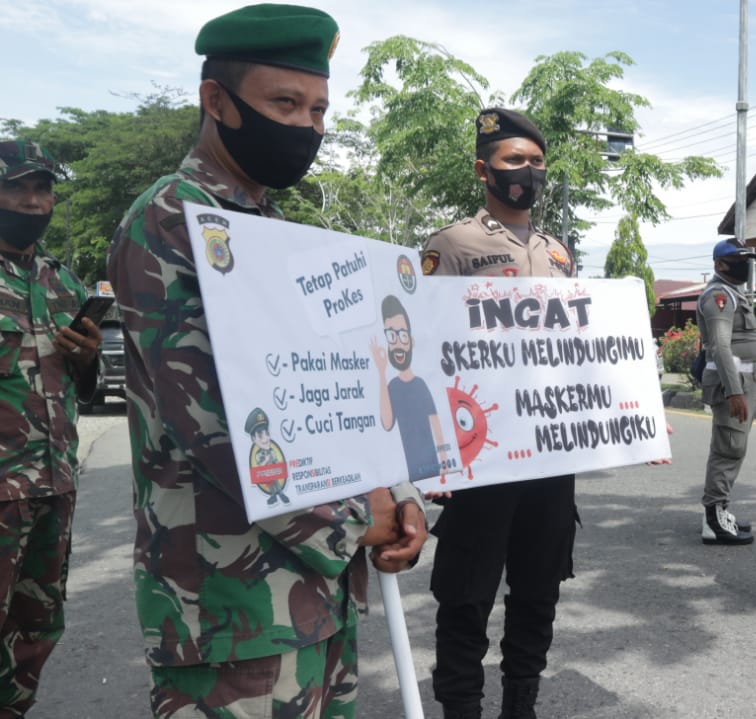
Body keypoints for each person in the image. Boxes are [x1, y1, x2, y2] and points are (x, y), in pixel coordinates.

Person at [105, 6, 426, 716]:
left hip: (317, 592)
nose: (306, 127)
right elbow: (208, 416)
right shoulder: (168, 219)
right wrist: (354, 515)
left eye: (318, 109)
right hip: (227, 605)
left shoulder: (275, 233)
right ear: (215, 101)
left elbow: (336, 394)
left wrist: (399, 495)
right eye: (285, 103)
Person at [420, 107, 576, 719]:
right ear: (484, 169)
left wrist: (628, 410)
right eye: (516, 160)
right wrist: (434, 459)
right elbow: (425, 353)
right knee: (465, 596)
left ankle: (522, 704)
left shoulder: (558, 254)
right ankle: (461, 708)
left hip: (550, 454)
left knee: (539, 592)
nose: (528, 172)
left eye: (537, 162)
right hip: (480, 457)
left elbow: (580, 351)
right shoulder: (452, 245)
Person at [0, 140, 102, 717]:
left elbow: (82, 380)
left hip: (54, 486)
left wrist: (88, 356)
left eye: (42, 189)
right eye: (17, 187)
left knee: (37, 626)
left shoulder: (62, 281)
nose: (33, 201)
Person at [696, 239, 756, 545]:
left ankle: (721, 510)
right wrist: (734, 391)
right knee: (729, 448)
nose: (746, 265)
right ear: (720, 264)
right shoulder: (719, 295)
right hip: (732, 383)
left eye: (748, 259)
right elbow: (721, 345)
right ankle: (713, 519)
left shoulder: (734, 293)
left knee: (732, 447)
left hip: (740, 382)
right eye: (739, 259)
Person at [374, 294, 448, 480]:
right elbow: (387, 422)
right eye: (391, 336)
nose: (398, 342)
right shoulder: (392, 386)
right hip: (408, 470)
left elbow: (436, 424)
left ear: (412, 341)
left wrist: (445, 459)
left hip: (431, 464)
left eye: (402, 335)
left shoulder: (421, 384)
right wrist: (381, 372)